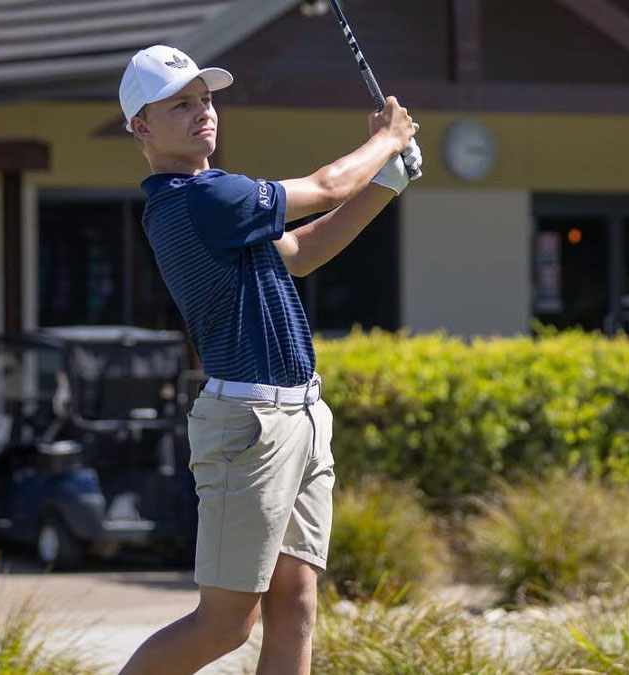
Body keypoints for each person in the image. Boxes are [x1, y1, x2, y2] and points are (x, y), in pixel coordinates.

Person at [117, 45, 422, 675]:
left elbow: (303, 252)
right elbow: (327, 187)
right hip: (249, 425)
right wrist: (387, 141)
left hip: (301, 416)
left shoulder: (216, 199)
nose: (203, 112)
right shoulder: (198, 199)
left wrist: (388, 180)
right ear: (141, 127)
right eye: (181, 105)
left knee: (297, 602)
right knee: (226, 624)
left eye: (206, 100)